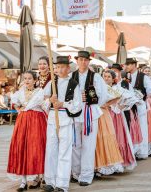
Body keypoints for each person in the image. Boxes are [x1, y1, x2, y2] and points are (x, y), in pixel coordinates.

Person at [43, 56, 82, 192]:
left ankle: (62, 184)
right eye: (57, 67)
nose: (59, 69)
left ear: (68, 68)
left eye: (62, 67)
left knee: (64, 151)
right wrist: (50, 101)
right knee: (51, 150)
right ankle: (50, 181)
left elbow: (77, 106)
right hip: (53, 119)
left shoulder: (74, 84)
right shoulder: (51, 83)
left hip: (65, 119)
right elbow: (42, 103)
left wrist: (63, 104)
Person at [70, 51, 108, 187]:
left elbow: (103, 94)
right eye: (80, 59)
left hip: (89, 112)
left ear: (88, 62)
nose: (83, 62)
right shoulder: (71, 76)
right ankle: (75, 172)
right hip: (74, 113)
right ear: (77, 61)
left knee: (89, 144)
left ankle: (86, 175)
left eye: (85, 60)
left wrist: (90, 100)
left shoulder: (96, 76)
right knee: (75, 144)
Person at [7, 71, 48, 191]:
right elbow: (14, 101)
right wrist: (18, 108)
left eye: (30, 78)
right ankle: (23, 181)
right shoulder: (20, 92)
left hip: (36, 121)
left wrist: (24, 107)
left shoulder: (40, 91)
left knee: (37, 148)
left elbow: (35, 104)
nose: (27, 81)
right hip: (23, 121)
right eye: (25, 78)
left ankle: (42, 176)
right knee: (22, 148)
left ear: (35, 80)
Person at [125, 58, 151, 160]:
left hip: (139, 105)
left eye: (129, 65)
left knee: (142, 127)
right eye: (127, 65)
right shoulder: (126, 76)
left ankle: (142, 151)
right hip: (129, 106)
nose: (127, 66)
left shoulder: (143, 77)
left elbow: (150, 89)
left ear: (134, 65)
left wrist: (142, 95)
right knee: (131, 127)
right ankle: (133, 150)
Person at [95, 70, 124, 175]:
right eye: (104, 76)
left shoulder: (107, 88)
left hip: (103, 113)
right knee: (97, 139)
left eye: (108, 76)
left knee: (105, 136)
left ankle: (106, 164)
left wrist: (105, 104)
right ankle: (97, 165)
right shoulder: (99, 87)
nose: (106, 78)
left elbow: (118, 97)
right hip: (95, 113)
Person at [109, 64, 137, 171]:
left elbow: (132, 97)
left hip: (118, 115)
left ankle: (119, 161)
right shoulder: (102, 87)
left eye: (116, 71)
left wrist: (123, 106)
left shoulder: (123, 85)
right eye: (113, 71)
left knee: (119, 136)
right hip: (106, 115)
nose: (114, 72)